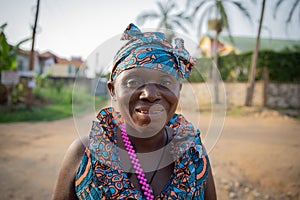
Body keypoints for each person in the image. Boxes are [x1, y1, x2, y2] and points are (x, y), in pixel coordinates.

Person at [53, 23, 217, 200]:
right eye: (133, 82)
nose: (151, 95)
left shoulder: (193, 154)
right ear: (113, 91)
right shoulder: (85, 154)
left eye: (166, 82)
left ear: (178, 91)